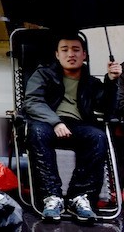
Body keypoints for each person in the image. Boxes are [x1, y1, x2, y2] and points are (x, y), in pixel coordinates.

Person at [24, 34, 122, 222]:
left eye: (76, 50)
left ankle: (80, 198)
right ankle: (51, 197)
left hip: (78, 126)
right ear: (57, 54)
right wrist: (56, 122)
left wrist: (111, 81)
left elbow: (107, 109)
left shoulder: (91, 82)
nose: (71, 54)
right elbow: (33, 102)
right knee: (37, 132)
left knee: (98, 136)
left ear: (84, 55)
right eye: (65, 50)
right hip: (47, 123)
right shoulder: (43, 74)